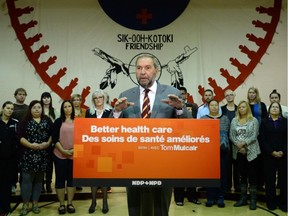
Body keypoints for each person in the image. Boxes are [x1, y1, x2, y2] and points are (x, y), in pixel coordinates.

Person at [112, 54, 189, 216]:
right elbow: (113, 132)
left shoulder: (172, 93)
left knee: (161, 208)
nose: (142, 72)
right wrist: (117, 113)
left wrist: (180, 110)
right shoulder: (126, 95)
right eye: (139, 68)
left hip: (164, 163)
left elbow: (187, 127)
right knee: (134, 207)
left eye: (147, 68)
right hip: (133, 163)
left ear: (156, 70)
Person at [17, 100, 53, 215]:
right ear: (30, 109)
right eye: (34, 107)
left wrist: (47, 144)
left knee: (39, 181)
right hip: (28, 154)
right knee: (26, 181)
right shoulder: (24, 121)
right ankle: (25, 204)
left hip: (43, 155)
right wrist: (31, 145)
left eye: (39, 107)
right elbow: (20, 137)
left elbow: (52, 134)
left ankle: (35, 203)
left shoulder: (47, 120)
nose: (37, 109)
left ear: (42, 109)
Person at [229, 101, 260, 210]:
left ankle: (253, 199)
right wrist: (239, 146)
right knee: (242, 176)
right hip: (238, 152)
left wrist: (244, 144)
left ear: (247, 108)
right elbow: (231, 135)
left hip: (251, 152)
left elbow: (254, 135)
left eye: (244, 107)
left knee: (252, 176)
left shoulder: (254, 120)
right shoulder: (234, 120)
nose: (241, 109)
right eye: (240, 107)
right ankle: (243, 198)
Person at [85, 90, 112, 214]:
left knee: (104, 177)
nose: (98, 99)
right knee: (93, 177)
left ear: (104, 98)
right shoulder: (88, 112)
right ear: (93, 100)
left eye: (100, 97)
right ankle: (94, 201)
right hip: (92, 148)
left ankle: (105, 201)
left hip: (106, 148)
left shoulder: (110, 111)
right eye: (95, 98)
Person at [173, 88, 200, 207]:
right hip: (176, 141)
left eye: (183, 93)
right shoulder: (171, 106)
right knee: (178, 171)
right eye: (179, 94)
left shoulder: (193, 106)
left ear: (187, 95)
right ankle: (179, 198)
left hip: (190, 140)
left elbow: (196, 122)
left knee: (192, 171)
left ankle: (192, 196)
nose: (181, 95)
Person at [201, 99, 230, 208]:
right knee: (210, 175)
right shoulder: (203, 119)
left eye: (216, 105)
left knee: (222, 175)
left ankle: (220, 197)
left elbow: (228, 134)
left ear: (218, 107)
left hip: (222, 152)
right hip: (209, 153)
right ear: (208, 107)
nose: (214, 107)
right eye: (212, 105)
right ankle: (210, 197)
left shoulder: (225, 119)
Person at [260, 102, 287, 212]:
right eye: (273, 107)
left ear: (280, 110)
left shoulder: (286, 122)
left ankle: (284, 202)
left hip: (284, 155)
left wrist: (283, 151)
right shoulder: (264, 122)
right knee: (269, 180)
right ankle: (271, 202)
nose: (275, 109)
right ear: (269, 109)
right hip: (269, 155)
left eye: (277, 107)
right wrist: (272, 152)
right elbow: (262, 140)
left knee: (284, 180)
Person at [52, 100, 76, 215]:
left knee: (71, 180)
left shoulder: (78, 121)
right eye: (65, 107)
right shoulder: (58, 122)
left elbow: (82, 138)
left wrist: (73, 151)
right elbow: (55, 139)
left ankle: (70, 203)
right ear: (62, 109)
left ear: (72, 108)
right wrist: (63, 151)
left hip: (75, 155)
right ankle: (62, 204)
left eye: (69, 106)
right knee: (60, 180)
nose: (67, 108)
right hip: (59, 154)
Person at [247, 87, 267, 192]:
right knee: (251, 161)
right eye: (249, 92)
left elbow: (265, 120)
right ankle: (251, 184)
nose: (251, 94)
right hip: (248, 137)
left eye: (253, 92)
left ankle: (260, 184)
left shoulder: (261, 105)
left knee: (260, 161)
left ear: (256, 94)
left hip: (260, 136)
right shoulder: (245, 106)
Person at [0, 101, 18, 216]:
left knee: (7, 184)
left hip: (11, 159)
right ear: (3, 108)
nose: (10, 110)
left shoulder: (15, 123)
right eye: (8, 108)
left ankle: (6, 206)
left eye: (12, 109)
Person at [40, 92, 60, 193]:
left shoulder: (55, 111)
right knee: (41, 163)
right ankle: (41, 185)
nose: (46, 99)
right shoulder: (39, 110)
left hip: (52, 141)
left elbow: (57, 126)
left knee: (49, 164)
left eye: (48, 97)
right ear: (42, 99)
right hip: (40, 141)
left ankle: (48, 184)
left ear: (50, 99)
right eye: (44, 98)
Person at [221, 89, 240, 192]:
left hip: (238, 141)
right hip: (226, 142)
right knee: (227, 165)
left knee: (237, 165)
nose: (229, 97)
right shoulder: (222, 109)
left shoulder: (239, 109)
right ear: (225, 97)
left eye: (231, 95)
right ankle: (227, 186)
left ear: (234, 95)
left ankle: (237, 186)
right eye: (227, 95)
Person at [11, 88, 29, 194]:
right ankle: (13, 184)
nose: (21, 96)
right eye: (19, 94)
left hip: (25, 140)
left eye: (23, 94)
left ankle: (23, 185)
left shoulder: (28, 108)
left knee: (24, 164)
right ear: (15, 95)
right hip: (13, 140)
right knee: (13, 164)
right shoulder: (11, 108)